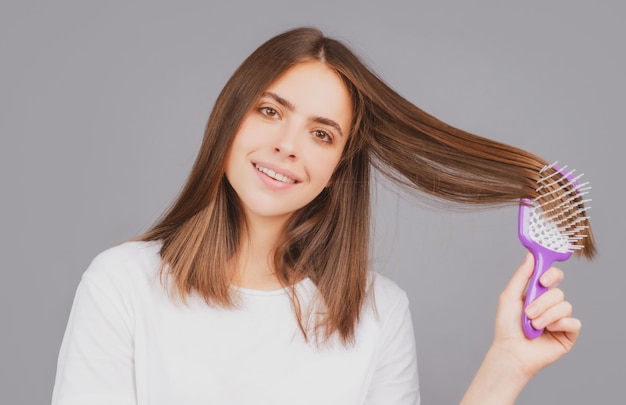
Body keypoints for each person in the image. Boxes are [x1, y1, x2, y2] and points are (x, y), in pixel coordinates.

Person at [51, 27, 594, 405]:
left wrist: (507, 364)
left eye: (321, 133)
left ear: (337, 166)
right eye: (269, 111)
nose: (288, 146)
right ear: (229, 121)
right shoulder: (122, 283)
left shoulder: (378, 311)